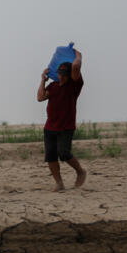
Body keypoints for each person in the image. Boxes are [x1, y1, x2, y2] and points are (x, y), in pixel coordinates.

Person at [37, 48, 87, 191]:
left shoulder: (74, 85)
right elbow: (40, 97)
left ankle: (80, 172)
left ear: (70, 75)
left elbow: (76, 66)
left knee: (64, 153)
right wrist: (43, 80)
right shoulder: (53, 86)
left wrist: (79, 55)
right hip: (50, 127)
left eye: (65, 74)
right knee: (51, 156)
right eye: (60, 73)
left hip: (66, 126)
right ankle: (59, 183)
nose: (61, 77)